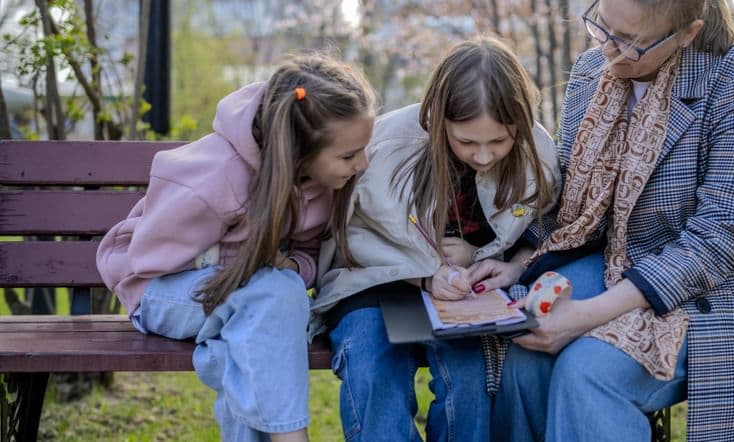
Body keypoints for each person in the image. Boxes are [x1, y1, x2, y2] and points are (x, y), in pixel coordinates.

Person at [478, 0, 734, 440]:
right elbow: (568, 198)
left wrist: (584, 316)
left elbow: (717, 241)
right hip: (616, 258)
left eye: (630, 42)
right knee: (527, 354)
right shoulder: (592, 71)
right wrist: (519, 261)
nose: (609, 49)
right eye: (602, 27)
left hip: (714, 288)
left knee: (587, 373)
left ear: (688, 32)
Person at [96, 55, 376, 442]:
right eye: (349, 155)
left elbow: (308, 258)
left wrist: (292, 267)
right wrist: (246, 268)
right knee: (271, 295)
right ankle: (293, 437)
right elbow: (146, 262)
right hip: (159, 292)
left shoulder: (324, 184)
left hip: (248, 303)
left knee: (248, 338)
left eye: (363, 149)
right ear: (300, 150)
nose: (362, 164)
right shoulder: (213, 178)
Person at [311, 36, 560, 442]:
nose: (482, 156)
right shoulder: (387, 146)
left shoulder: (537, 152)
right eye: (466, 142)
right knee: (374, 369)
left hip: (466, 296)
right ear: (437, 118)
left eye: (499, 141)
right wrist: (423, 274)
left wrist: (505, 261)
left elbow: (545, 225)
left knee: (469, 376)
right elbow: (350, 235)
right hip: (376, 286)